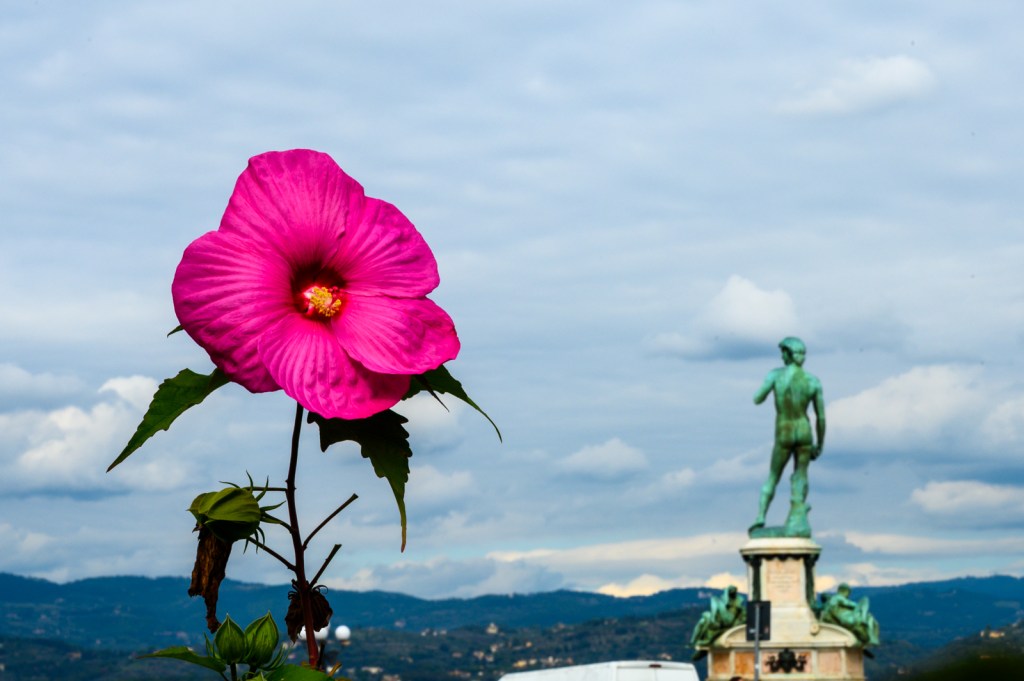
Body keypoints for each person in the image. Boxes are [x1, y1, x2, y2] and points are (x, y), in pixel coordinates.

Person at [750, 337, 826, 535]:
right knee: (801, 474)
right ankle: (798, 514)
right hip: (804, 431)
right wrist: (820, 443)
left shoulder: (776, 375)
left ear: (787, 354)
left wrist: (769, 387)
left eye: (782, 352)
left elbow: (757, 398)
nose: (781, 356)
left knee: (773, 477)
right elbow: (821, 417)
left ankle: (760, 517)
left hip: (784, 431)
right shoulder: (813, 381)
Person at [690, 585, 746, 650]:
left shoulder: (738, 600)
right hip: (721, 619)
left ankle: (695, 640)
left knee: (704, 619)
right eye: (731, 591)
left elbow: (741, 612)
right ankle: (694, 640)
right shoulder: (721, 600)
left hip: (727, 621)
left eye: (733, 591)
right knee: (703, 620)